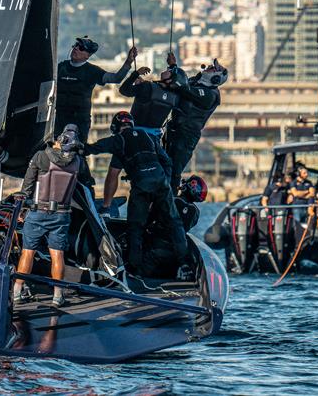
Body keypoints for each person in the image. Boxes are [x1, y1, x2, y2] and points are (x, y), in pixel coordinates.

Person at [82, 111, 189, 277]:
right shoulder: (148, 136)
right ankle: (185, 263)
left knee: (135, 228)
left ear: (115, 128)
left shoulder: (120, 139)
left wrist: (79, 149)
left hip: (141, 186)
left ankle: (134, 270)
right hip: (162, 183)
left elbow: (97, 149)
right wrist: (166, 182)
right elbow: (167, 162)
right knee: (174, 223)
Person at [101, 54, 184, 214]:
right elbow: (179, 81)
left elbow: (123, 90)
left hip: (131, 138)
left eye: (169, 71)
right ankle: (156, 209)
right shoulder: (174, 98)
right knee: (153, 175)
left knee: (114, 171)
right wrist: (174, 65)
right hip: (152, 142)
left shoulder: (147, 88)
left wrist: (135, 74)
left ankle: (106, 206)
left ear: (170, 80)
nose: (166, 70)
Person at [13, 124, 82, 307]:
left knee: (28, 252)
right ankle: (58, 296)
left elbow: (27, 187)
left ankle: (17, 292)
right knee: (57, 255)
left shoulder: (41, 157)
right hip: (61, 215)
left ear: (60, 139)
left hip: (38, 212)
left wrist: (20, 209)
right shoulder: (78, 161)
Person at [54, 36, 137, 143]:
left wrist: (128, 61)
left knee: (78, 151)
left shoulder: (92, 71)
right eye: (76, 46)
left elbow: (116, 78)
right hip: (59, 118)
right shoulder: (61, 67)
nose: (76, 49)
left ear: (87, 55)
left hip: (80, 120)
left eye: (81, 48)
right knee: (55, 149)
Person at [163, 58, 227, 190]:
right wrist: (172, 69)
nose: (208, 67)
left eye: (212, 68)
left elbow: (184, 89)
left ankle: (170, 201)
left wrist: (174, 66)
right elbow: (180, 82)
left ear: (216, 78)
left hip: (187, 135)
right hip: (174, 129)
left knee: (174, 170)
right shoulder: (195, 81)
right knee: (163, 164)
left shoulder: (210, 95)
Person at [139, 175, 206, 279]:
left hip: (156, 248)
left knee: (138, 272)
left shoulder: (172, 201)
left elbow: (149, 218)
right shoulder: (195, 212)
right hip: (177, 254)